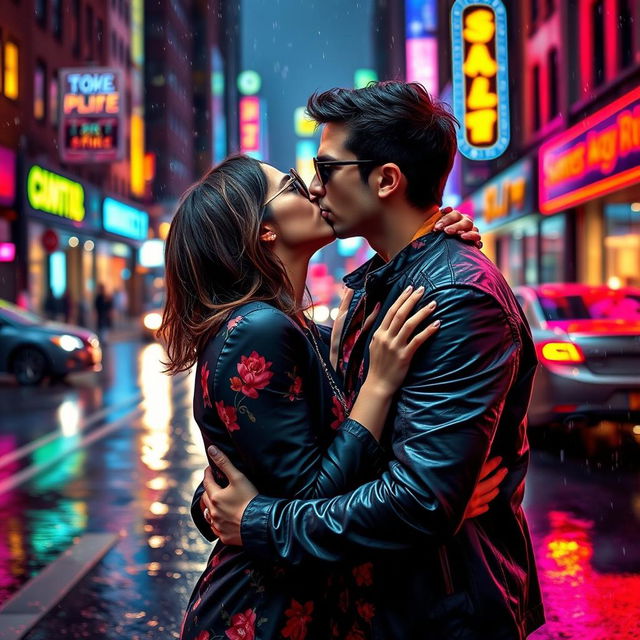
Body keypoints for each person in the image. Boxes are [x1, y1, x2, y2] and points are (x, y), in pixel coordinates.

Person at [198, 82, 545, 640]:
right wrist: (215, 500)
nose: (314, 187)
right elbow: (308, 445)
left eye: (326, 167)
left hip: (440, 611)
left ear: (385, 180)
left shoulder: (455, 296)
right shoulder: (374, 290)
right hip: (382, 603)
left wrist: (259, 521)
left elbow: (420, 502)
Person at [158, 154, 494, 640]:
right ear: (264, 231)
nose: (314, 190)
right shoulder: (258, 328)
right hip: (267, 613)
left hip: (305, 605)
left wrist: (427, 236)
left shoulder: (297, 329)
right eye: (293, 185)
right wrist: (378, 386)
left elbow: (272, 462)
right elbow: (311, 496)